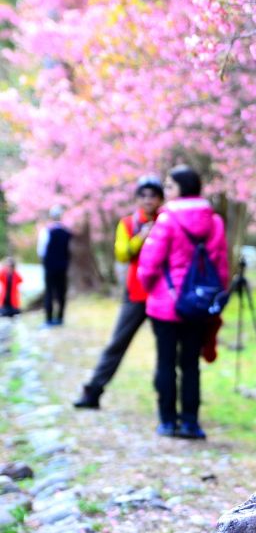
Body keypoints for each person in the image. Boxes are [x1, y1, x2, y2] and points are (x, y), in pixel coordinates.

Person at [138, 165, 228, 439]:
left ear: (181, 189)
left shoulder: (166, 220)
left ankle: (168, 422)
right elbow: (221, 266)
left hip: (166, 305)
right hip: (197, 306)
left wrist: (148, 286)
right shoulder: (214, 222)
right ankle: (190, 422)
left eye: (169, 186)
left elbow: (149, 263)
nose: (165, 191)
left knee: (166, 363)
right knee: (190, 364)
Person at [73, 175, 165, 409]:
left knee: (167, 350)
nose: (148, 200)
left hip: (162, 295)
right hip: (135, 293)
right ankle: (93, 390)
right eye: (143, 195)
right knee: (117, 343)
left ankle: (168, 401)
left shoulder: (168, 221)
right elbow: (122, 254)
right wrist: (141, 238)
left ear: (161, 198)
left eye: (153, 195)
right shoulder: (127, 223)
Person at [37, 205, 71, 326]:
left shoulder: (46, 231)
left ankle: (49, 319)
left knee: (49, 292)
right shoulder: (67, 232)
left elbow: (41, 251)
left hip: (50, 267)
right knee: (61, 292)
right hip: (63, 266)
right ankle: (60, 318)